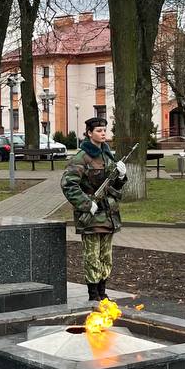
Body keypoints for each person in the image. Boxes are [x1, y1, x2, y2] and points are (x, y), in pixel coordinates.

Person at [60, 117, 128, 304]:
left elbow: (113, 185)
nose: (103, 133)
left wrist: (121, 176)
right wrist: (87, 204)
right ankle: (93, 294)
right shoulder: (82, 157)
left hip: (109, 214)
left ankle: (102, 292)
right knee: (92, 256)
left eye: (104, 130)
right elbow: (68, 184)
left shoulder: (107, 155)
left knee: (106, 256)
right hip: (91, 216)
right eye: (99, 130)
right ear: (89, 133)